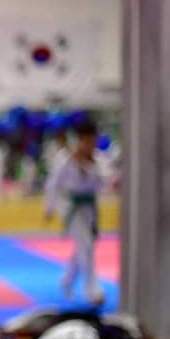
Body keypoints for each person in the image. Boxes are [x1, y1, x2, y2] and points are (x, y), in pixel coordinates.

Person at [44, 121, 105, 305]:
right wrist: (49, 207)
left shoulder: (98, 159)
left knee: (85, 246)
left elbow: (102, 182)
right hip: (71, 206)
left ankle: (67, 280)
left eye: (93, 141)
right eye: (87, 141)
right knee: (85, 245)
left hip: (89, 206)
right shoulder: (66, 159)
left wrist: (89, 167)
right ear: (80, 140)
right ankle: (92, 291)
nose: (90, 145)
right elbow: (52, 183)